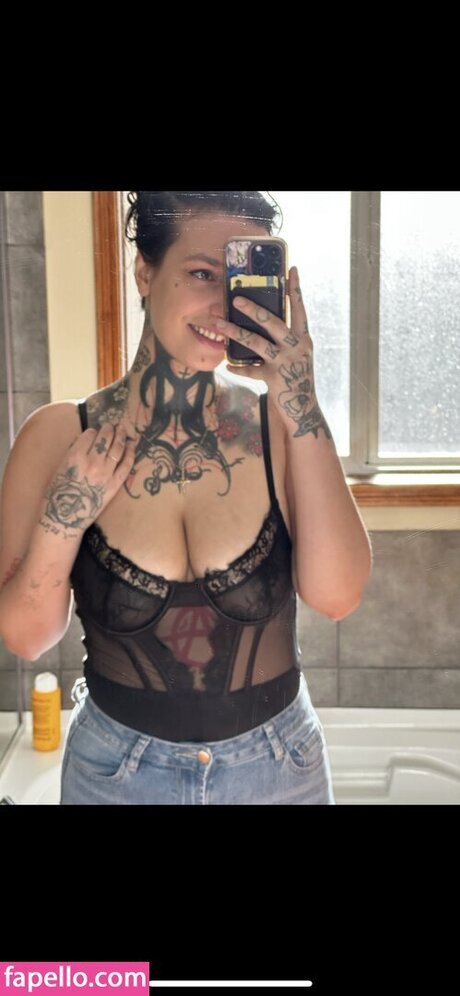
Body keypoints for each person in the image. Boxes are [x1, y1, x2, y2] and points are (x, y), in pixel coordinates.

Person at [0, 191, 372, 805]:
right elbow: (26, 637)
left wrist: (301, 402)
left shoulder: (280, 426)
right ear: (144, 273)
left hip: (280, 770)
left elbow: (337, 596)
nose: (226, 306)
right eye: (201, 274)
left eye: (240, 281)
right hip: (114, 776)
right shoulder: (59, 435)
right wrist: (64, 519)